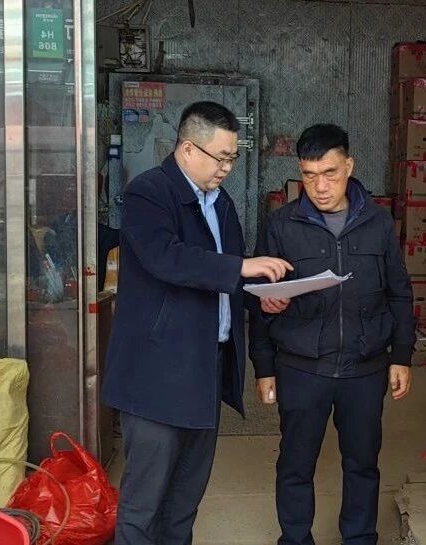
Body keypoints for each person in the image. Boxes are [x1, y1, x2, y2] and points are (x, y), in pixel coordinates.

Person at [102, 101, 293, 545]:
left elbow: (226, 277)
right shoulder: (149, 193)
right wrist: (241, 267)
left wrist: (259, 299)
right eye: (220, 158)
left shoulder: (220, 203)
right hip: (155, 375)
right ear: (188, 149)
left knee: (184, 500)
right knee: (143, 505)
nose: (227, 168)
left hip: (205, 370)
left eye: (232, 158)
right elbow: (167, 258)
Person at [249, 123, 417, 545]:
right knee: (295, 464)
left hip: (365, 367)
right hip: (302, 367)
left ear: (349, 166)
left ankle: (359, 538)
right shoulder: (281, 225)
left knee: (362, 464)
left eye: (330, 173)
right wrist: (264, 367)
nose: (320, 187)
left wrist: (401, 355)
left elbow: (399, 292)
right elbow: (259, 300)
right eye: (309, 176)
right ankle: (295, 539)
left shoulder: (379, 223)